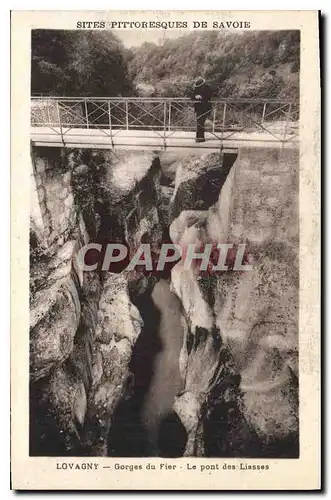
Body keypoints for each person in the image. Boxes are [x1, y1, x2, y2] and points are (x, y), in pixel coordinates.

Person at [190, 77, 213, 143]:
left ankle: (200, 138)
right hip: (198, 108)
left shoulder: (208, 88)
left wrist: (201, 97)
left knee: (201, 122)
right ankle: (200, 137)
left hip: (205, 108)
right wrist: (196, 97)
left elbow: (208, 97)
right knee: (199, 122)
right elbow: (192, 96)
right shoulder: (196, 88)